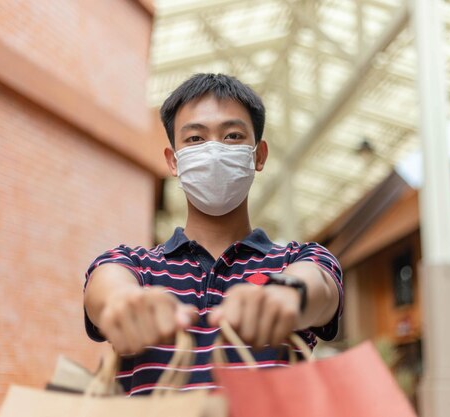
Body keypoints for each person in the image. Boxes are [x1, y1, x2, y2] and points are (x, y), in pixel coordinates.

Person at [83, 73, 343, 396]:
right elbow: (103, 289)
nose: (214, 151)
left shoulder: (296, 260)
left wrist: (288, 293)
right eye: (195, 139)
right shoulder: (136, 267)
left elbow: (319, 287)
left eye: (232, 136)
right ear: (173, 161)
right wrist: (124, 303)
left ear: (259, 156)